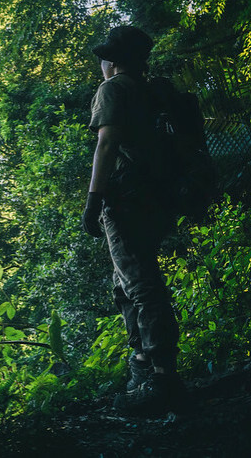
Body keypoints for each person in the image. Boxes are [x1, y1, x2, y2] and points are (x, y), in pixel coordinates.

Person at [82, 26, 185, 414]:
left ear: (112, 61)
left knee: (141, 285)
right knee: (125, 283)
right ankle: (142, 368)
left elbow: (107, 143)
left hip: (126, 199)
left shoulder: (114, 89)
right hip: (158, 199)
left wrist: (93, 201)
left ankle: (162, 378)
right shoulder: (153, 91)